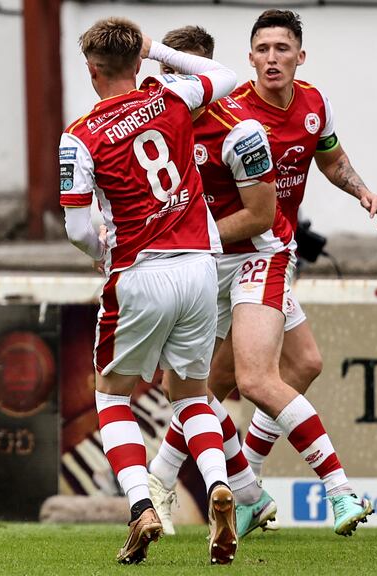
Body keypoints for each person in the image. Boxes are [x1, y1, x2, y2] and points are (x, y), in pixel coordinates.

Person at [149, 10, 377, 538]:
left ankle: (307, 487)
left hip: (263, 252)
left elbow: (329, 158)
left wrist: (360, 188)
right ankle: (235, 486)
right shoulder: (209, 115)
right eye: (263, 49)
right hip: (215, 262)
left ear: (300, 56)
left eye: (282, 48)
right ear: (248, 57)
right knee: (228, 381)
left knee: (264, 375)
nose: (272, 58)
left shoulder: (305, 106)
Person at [61, 17, 238, 565]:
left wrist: (101, 253)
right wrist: (156, 47)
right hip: (200, 268)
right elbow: (225, 74)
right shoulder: (174, 99)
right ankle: (217, 486)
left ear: (91, 69)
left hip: (140, 272)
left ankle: (140, 505)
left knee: (112, 394)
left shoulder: (81, 134)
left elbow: (74, 226)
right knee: (189, 391)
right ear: (139, 62)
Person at [146, 25, 279, 540]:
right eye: (167, 71)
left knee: (269, 376)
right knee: (189, 388)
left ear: (209, 74)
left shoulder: (240, 130)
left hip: (251, 264)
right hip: (201, 268)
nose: (175, 81)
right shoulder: (151, 122)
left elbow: (261, 216)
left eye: (187, 71)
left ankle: (331, 489)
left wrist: (192, 241)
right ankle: (241, 491)